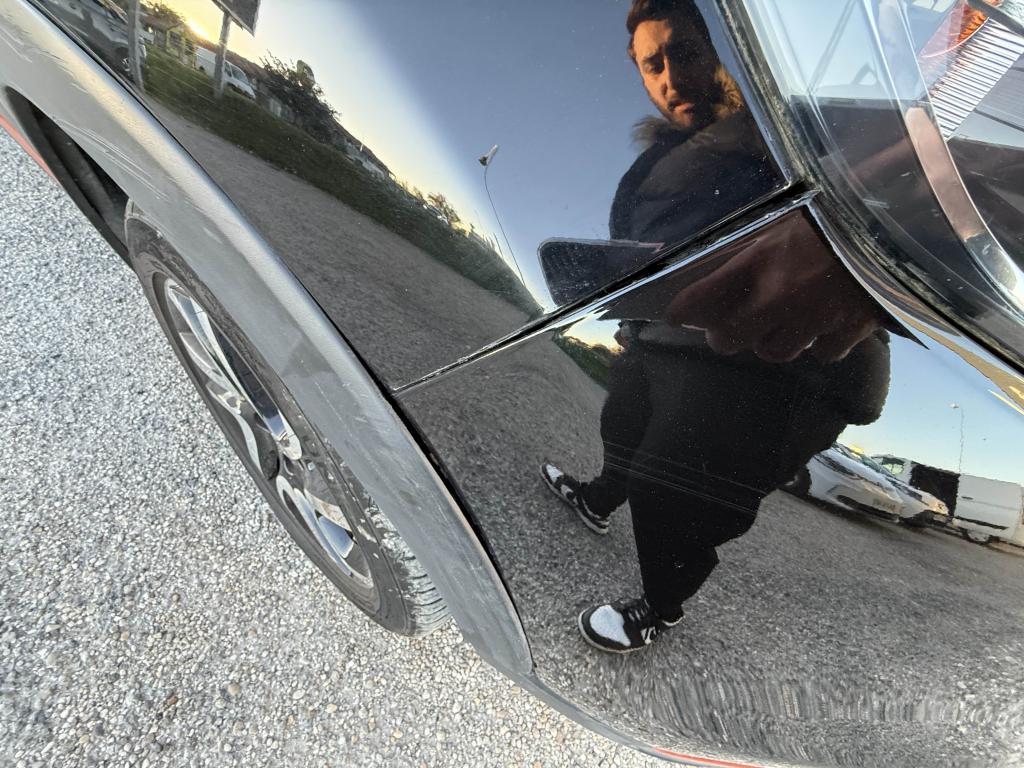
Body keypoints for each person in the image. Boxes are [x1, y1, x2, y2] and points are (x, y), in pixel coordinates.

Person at [541, 0, 891, 653]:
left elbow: (890, 197)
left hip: (779, 360)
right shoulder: (652, 162)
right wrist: (630, 322)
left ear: (723, 52)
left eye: (685, 52)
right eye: (652, 64)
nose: (670, 77)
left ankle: (661, 604)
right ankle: (601, 497)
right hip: (663, 335)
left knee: (681, 490)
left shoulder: (796, 127)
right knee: (623, 423)